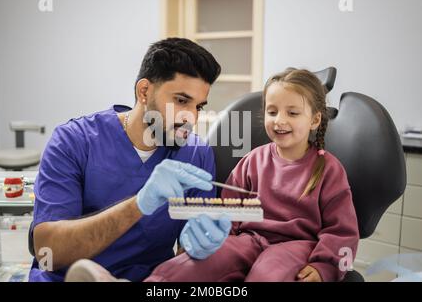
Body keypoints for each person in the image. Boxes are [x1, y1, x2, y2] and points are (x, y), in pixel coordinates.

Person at [29, 37, 231, 282]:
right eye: (181, 100)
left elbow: (186, 256)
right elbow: (49, 252)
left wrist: (198, 248)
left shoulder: (196, 153)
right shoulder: (73, 141)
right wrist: (138, 205)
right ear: (144, 91)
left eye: (198, 106)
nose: (191, 117)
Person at [143, 68, 360, 282]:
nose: (279, 120)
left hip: (299, 247)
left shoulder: (329, 169)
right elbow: (227, 209)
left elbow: (342, 232)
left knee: (268, 274)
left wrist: (325, 267)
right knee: (187, 267)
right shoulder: (253, 160)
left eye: (292, 113)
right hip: (249, 240)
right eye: (272, 111)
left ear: (314, 120)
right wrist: (211, 245)